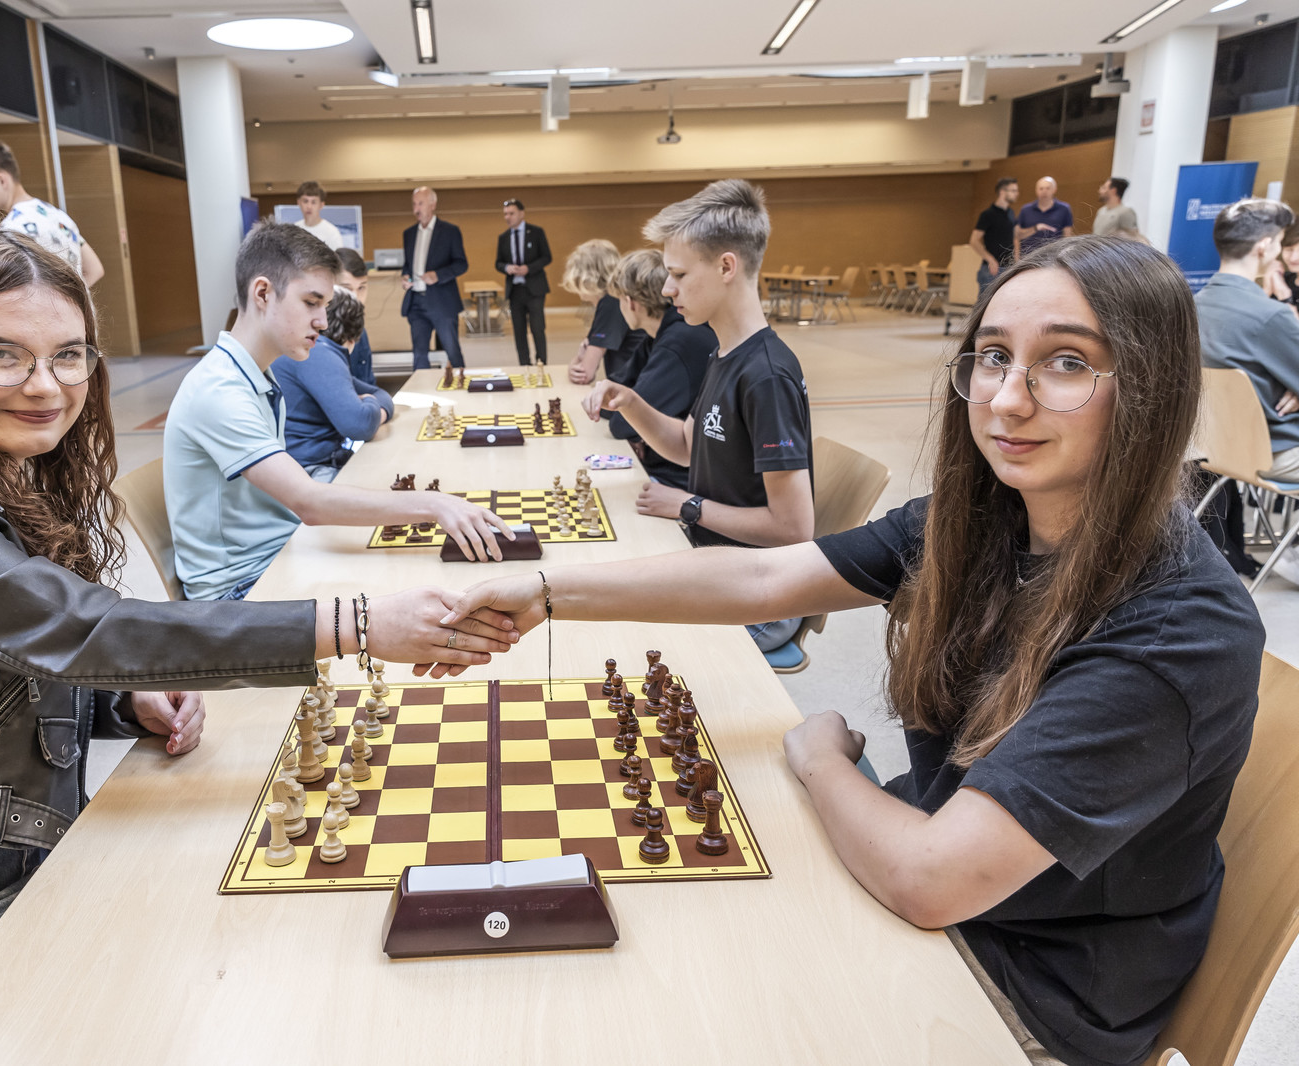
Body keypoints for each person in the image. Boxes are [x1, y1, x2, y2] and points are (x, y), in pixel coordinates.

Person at [448, 236, 1262, 1066]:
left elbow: (930, 880)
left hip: (1025, 985)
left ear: (1152, 388)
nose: (1007, 399)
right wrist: (546, 593)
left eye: (1065, 363)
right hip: (939, 871)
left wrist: (821, 761)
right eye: (993, 357)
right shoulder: (983, 518)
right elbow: (768, 579)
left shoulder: (1177, 631)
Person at [0, 225, 515, 1062]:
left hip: (20, 848)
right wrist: (361, 624)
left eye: (68, 356)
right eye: (1, 355)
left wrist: (122, 702)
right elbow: (88, 629)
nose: (45, 385)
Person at [167, 223, 510, 602]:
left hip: (280, 554)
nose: (324, 322)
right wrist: (434, 504)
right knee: (431, 593)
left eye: (325, 306)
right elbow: (308, 502)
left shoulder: (254, 374)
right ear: (262, 293)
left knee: (436, 574)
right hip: (243, 591)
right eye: (311, 302)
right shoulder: (220, 390)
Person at [580, 180, 813, 655]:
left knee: (613, 636)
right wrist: (630, 402)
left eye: (679, 275)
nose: (667, 289)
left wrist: (688, 505)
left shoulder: (766, 376)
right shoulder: (723, 352)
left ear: (727, 266)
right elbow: (686, 447)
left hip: (761, 595)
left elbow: (793, 529)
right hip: (715, 567)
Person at [1195, 199, 1299, 587]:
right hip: (1274, 453)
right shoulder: (1269, 315)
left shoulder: (1192, 306)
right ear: (1265, 246)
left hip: (1217, 449)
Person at [598, 249, 717, 489]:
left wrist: (632, 420)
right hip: (675, 467)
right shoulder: (659, 335)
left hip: (685, 481)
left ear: (630, 302)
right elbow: (615, 393)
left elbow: (621, 423)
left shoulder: (679, 342)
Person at [270, 288, 392, 483]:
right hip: (310, 470)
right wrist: (371, 402)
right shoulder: (319, 354)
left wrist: (372, 404)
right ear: (352, 340)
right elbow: (360, 425)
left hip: (301, 465)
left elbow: (380, 394)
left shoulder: (313, 349)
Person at [0, 139, 104, 286]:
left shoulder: (12, 230)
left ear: (2, 180)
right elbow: (95, 270)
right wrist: (71, 297)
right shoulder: (57, 215)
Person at [563, 239, 649, 385]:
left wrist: (574, 364)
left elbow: (584, 373)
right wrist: (577, 362)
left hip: (633, 389)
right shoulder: (616, 298)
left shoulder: (611, 302)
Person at [399, 186, 467, 370]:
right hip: (416, 303)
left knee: (452, 351)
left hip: (442, 302)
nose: (416, 209)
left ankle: (461, 382)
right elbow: (408, 264)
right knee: (419, 353)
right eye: (414, 204)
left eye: (420, 204)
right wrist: (405, 276)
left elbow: (461, 264)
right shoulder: (409, 234)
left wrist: (438, 275)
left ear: (433, 205)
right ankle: (422, 387)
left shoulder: (450, 231)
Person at [495, 198, 551, 366]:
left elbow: (546, 257)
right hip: (515, 290)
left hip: (534, 289)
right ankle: (524, 364)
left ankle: (541, 363)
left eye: (511, 213)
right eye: (505, 214)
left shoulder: (536, 232)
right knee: (519, 331)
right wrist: (507, 267)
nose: (508, 217)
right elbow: (498, 263)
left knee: (537, 328)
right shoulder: (504, 237)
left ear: (521, 213)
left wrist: (529, 268)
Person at [969, 177, 1019, 295]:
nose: (1017, 194)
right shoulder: (988, 215)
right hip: (991, 270)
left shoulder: (1011, 213)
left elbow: (1014, 238)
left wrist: (1017, 262)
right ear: (1002, 192)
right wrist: (990, 260)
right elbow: (974, 241)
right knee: (985, 304)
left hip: (1008, 268)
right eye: (1013, 190)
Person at [334, 248, 376, 386]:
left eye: (361, 288)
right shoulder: (318, 336)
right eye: (347, 289)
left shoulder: (360, 332)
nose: (356, 298)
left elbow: (369, 384)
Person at [1015, 176, 1073, 259]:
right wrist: (1035, 228)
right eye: (1041, 188)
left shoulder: (1064, 209)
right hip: (1028, 257)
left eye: (1047, 188)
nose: (1044, 191)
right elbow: (1017, 236)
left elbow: (1067, 236)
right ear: (1036, 191)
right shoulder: (1025, 210)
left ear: (1054, 190)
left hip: (1053, 257)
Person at [296, 180, 346, 250]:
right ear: (299, 202)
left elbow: (337, 256)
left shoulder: (332, 232)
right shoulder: (294, 230)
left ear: (321, 205)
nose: (309, 206)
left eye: (313, 202)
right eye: (305, 201)